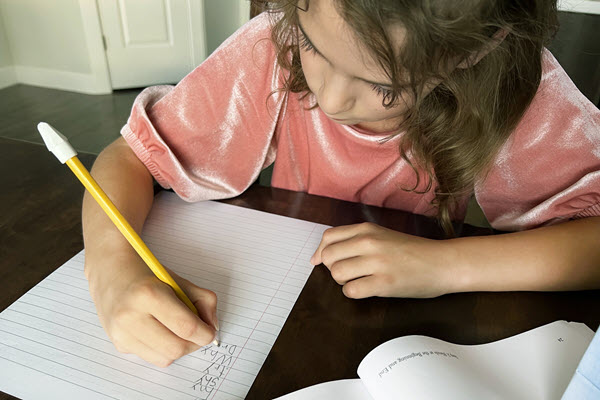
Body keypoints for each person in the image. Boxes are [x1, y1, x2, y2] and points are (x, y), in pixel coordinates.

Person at [82, 0, 600, 367]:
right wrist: (111, 271)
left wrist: (443, 266)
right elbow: (130, 157)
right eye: (312, 44)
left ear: (475, 50)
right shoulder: (272, 42)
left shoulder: (512, 84)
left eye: (382, 86)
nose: (329, 100)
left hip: (408, 327)